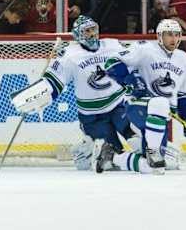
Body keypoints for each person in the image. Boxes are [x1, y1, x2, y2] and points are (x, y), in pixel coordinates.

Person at [11, 15, 134, 171]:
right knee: (110, 157)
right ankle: (85, 150)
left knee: (135, 135)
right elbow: (53, 83)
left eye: (93, 29)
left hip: (117, 105)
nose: (91, 34)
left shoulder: (113, 45)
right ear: (77, 35)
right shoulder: (69, 55)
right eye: (86, 31)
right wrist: (39, 94)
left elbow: (133, 63)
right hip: (92, 115)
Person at [98, 19, 186, 175]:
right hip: (138, 105)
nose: (173, 39)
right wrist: (131, 81)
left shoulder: (184, 59)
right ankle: (152, 151)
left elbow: (181, 95)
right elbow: (111, 61)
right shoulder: (144, 49)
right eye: (169, 35)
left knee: (159, 167)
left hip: (161, 116)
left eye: (177, 35)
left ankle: (113, 157)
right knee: (160, 103)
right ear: (160, 36)